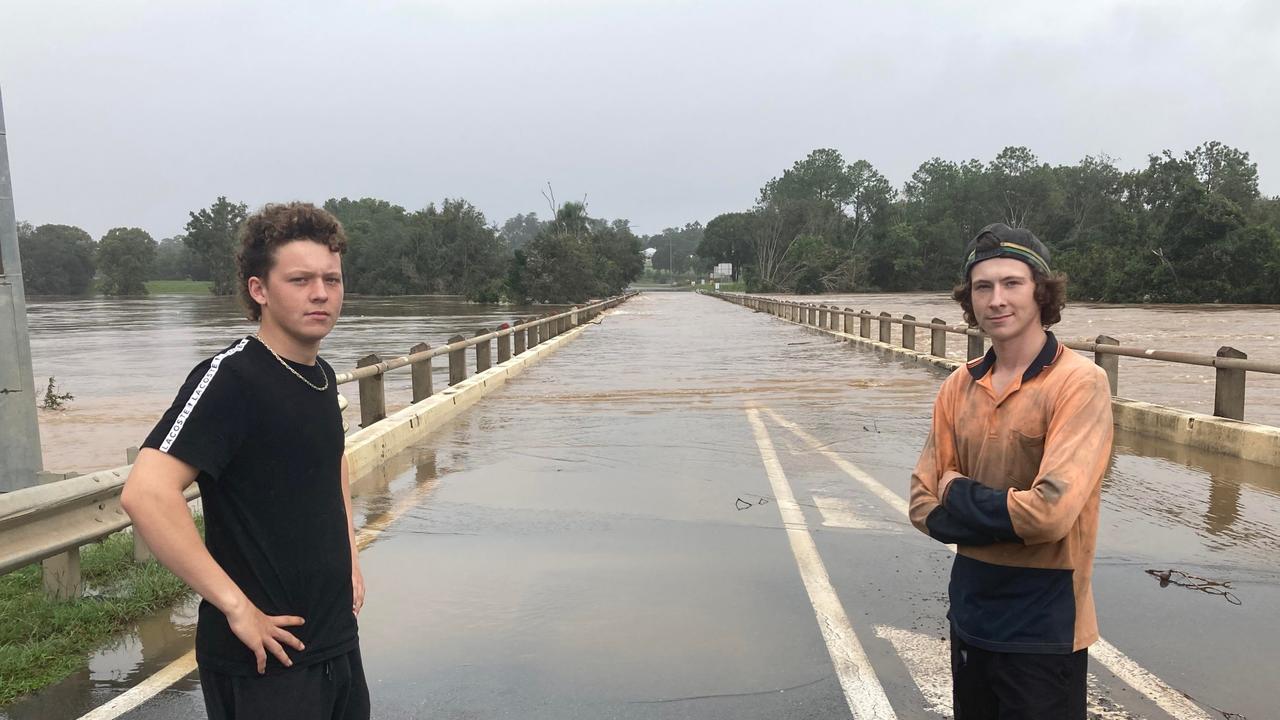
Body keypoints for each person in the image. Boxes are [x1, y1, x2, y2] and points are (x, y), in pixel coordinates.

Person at [121, 202, 369, 720]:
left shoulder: (319, 375)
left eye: (332, 279)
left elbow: (332, 467)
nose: (321, 293)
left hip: (334, 642)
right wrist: (238, 609)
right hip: (265, 662)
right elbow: (146, 493)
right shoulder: (232, 379)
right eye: (300, 279)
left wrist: (351, 558)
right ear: (260, 290)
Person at [908, 223, 1114, 719]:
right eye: (983, 287)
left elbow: (1050, 516)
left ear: (1041, 292)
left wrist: (955, 490)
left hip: (1045, 622)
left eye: (1011, 283)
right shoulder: (960, 384)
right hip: (971, 609)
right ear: (969, 300)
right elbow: (919, 503)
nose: (996, 299)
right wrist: (1003, 515)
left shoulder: (1079, 384)